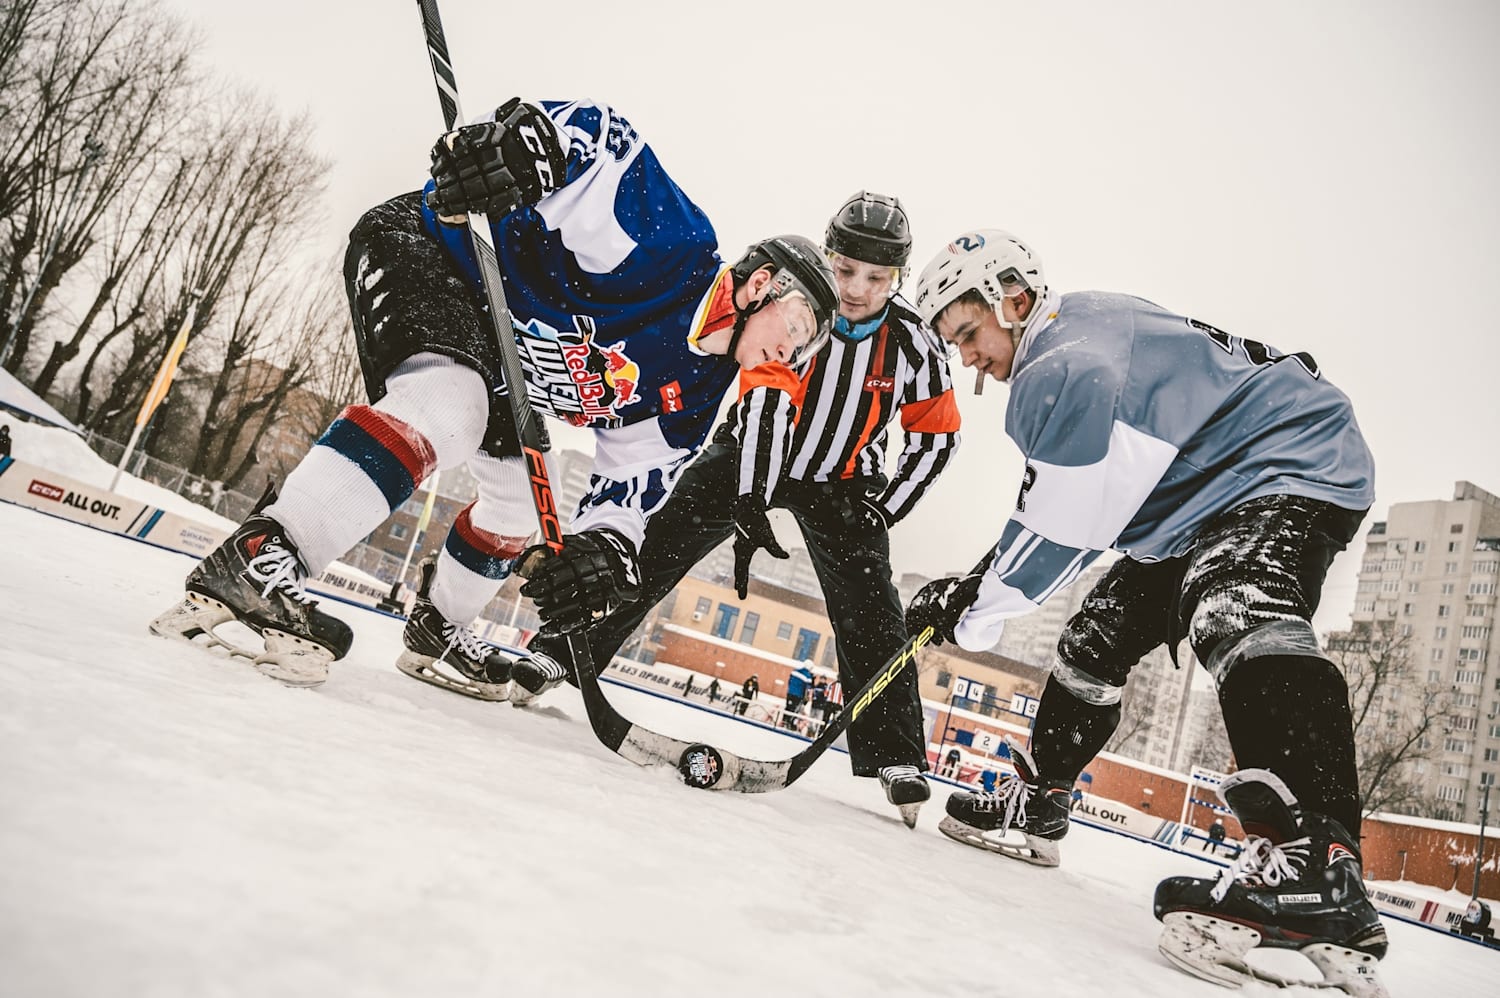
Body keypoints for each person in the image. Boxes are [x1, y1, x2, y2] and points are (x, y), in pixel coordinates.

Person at [149, 97, 837, 693]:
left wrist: (603, 551)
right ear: (759, 284)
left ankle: (437, 630)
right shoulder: (675, 251)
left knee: (515, 505)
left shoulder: (695, 397)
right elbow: (603, 148)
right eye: (800, 327)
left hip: (502, 359)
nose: (795, 353)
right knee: (451, 406)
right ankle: (264, 557)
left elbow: (630, 488)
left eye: (808, 350)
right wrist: (528, 148)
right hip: (433, 246)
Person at [905, 229, 1387, 989]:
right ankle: (1040, 803)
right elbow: (1079, 513)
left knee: (1236, 605)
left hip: (1281, 464)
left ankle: (1315, 868)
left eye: (968, 334)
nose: (968, 359)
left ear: (1013, 299)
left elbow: (1060, 530)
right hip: (1207, 494)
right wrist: (976, 585)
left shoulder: (1062, 364)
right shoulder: (1080, 332)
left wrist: (969, 609)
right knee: (1095, 639)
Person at [509, 192, 961, 825]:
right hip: (751, 447)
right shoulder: (795, 312)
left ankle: (896, 754)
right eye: (844, 268)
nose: (856, 288)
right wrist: (751, 496)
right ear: (825, 259)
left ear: (899, 279)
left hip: (843, 479)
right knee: (657, 541)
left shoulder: (915, 345)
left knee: (870, 600)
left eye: (876, 277)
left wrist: (886, 509)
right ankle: (561, 648)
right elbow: (764, 407)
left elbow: (938, 436)